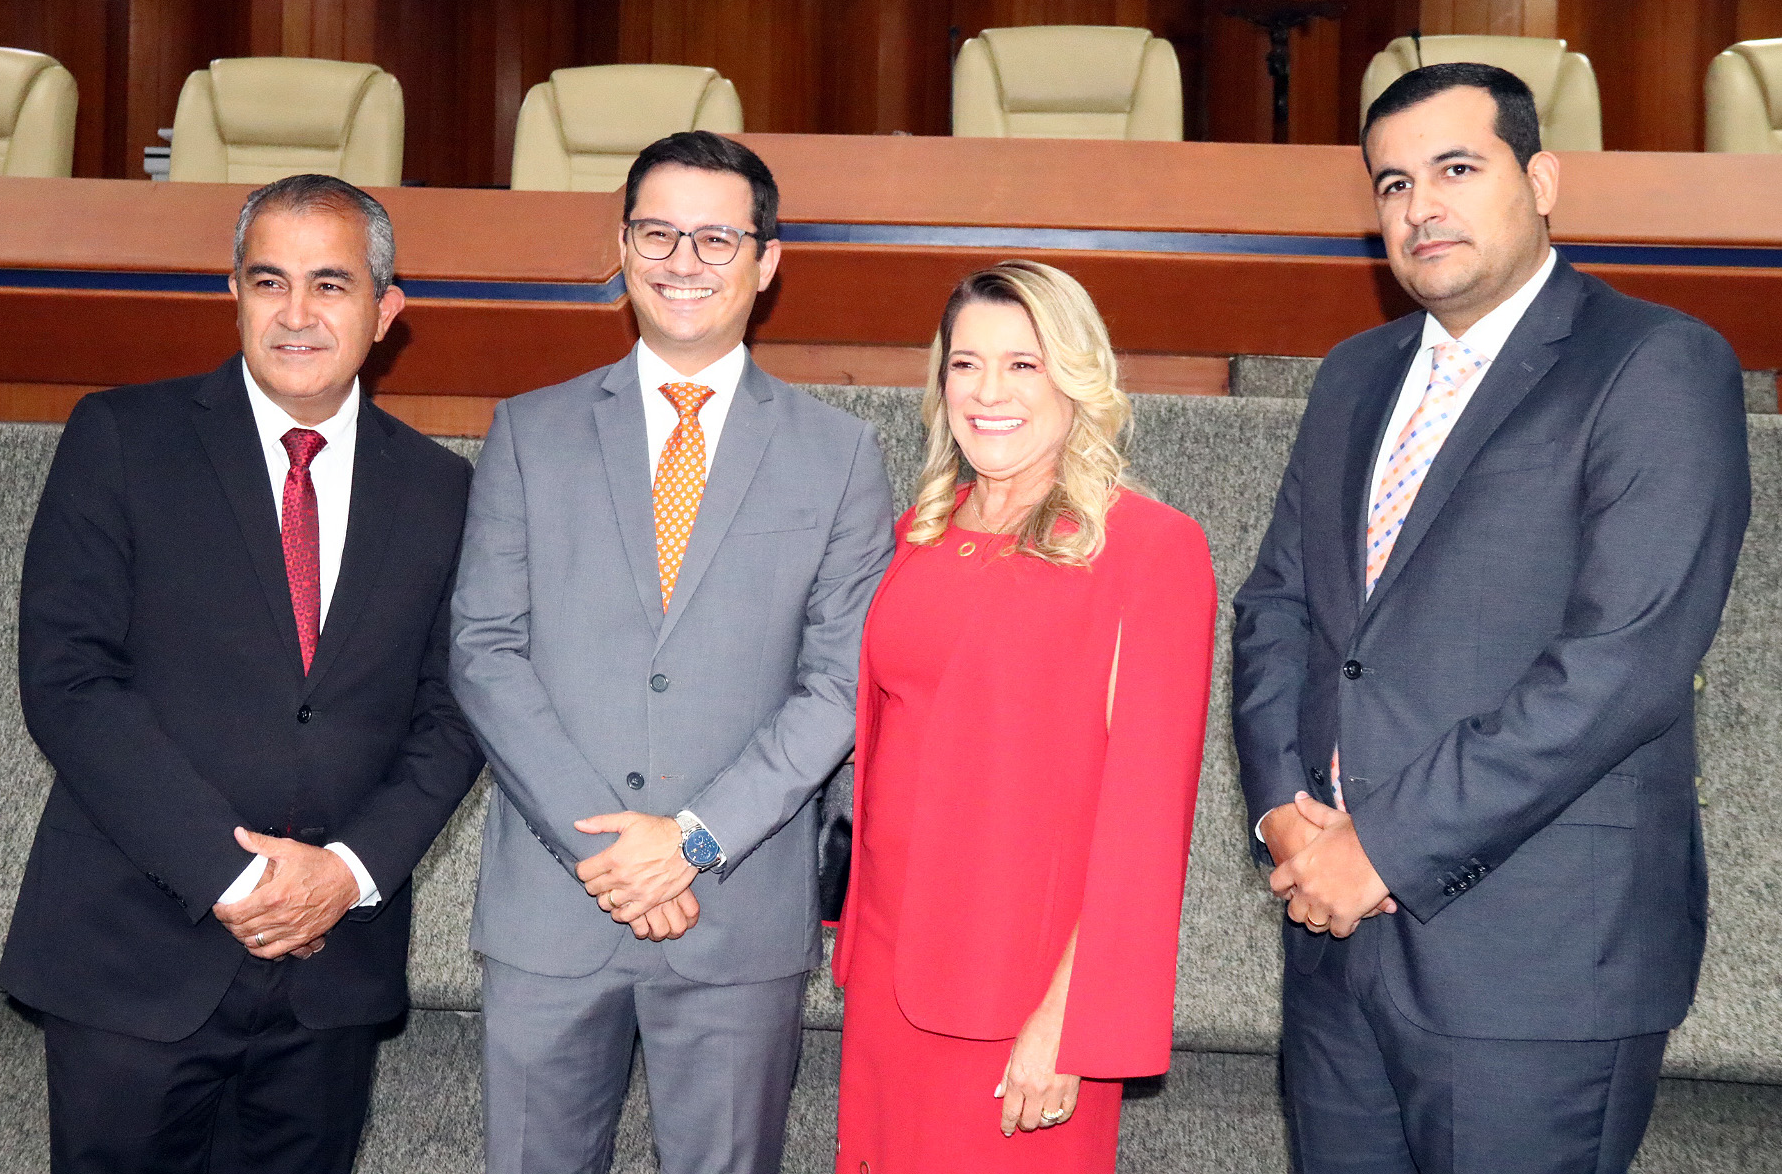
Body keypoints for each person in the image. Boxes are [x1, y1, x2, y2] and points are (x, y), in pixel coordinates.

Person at [1232, 63, 1750, 1174]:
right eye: (1393, 184)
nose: (1420, 206)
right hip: (1333, 943)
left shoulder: (1656, 363)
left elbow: (1622, 667)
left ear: (1541, 180)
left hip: (1535, 960)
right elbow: (1277, 606)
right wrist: (1281, 811)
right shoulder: (1352, 375)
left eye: (1456, 169)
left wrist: (1385, 846)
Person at [2, 173, 486, 1173]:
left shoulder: (443, 488)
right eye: (270, 282)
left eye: (330, 284)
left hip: (331, 972)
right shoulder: (123, 437)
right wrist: (238, 878)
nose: (296, 314)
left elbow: (454, 711)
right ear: (233, 293)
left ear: (386, 309)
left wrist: (344, 874)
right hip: (133, 956)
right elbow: (69, 680)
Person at [451, 130, 895, 1174]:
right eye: (656, 233)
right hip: (555, 908)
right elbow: (484, 652)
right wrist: (613, 857)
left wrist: (690, 843)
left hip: (737, 914)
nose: (682, 260)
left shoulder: (840, 455)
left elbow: (839, 684)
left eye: (715, 238)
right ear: (621, 247)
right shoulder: (529, 431)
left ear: (766, 261)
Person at [831, 260, 1217, 1173]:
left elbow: (1144, 821)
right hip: (886, 972)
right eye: (965, 364)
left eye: (1022, 365)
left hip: (1021, 995)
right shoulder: (917, 534)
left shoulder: (1146, 549)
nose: (987, 392)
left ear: (1075, 379)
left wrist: (1071, 1021)